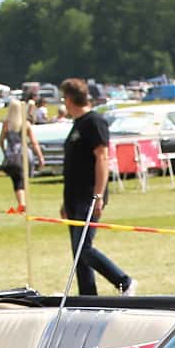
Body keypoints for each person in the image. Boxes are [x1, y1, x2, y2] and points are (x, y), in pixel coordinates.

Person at [59, 78, 136, 297]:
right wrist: (65, 201)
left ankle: (124, 281)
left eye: (64, 97)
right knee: (78, 252)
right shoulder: (77, 124)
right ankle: (87, 296)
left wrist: (99, 195)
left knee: (85, 248)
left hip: (88, 195)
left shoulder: (94, 122)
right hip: (73, 197)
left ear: (71, 98)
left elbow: (102, 158)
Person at [0, 98, 44, 216]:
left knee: (16, 179)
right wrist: (40, 157)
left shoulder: (6, 124)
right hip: (24, 153)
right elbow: (34, 142)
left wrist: (4, 151)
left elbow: (1, 140)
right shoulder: (26, 124)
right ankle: (23, 203)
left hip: (12, 154)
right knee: (24, 179)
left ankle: (22, 203)